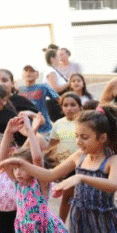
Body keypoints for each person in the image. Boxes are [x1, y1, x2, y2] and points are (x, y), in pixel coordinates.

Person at [50, 92, 83, 222]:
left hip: (83, 164)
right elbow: (52, 145)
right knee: (67, 197)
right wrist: (56, 165)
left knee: (83, 198)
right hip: (66, 165)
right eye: (65, 105)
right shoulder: (58, 123)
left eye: (73, 105)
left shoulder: (84, 122)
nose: (69, 108)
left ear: (80, 106)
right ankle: (61, 224)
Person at [18, 65, 59, 137]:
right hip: (26, 130)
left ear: (37, 75)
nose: (28, 73)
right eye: (26, 70)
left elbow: (59, 99)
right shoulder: (19, 90)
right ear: (22, 75)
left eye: (32, 71)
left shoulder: (43, 87)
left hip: (44, 129)